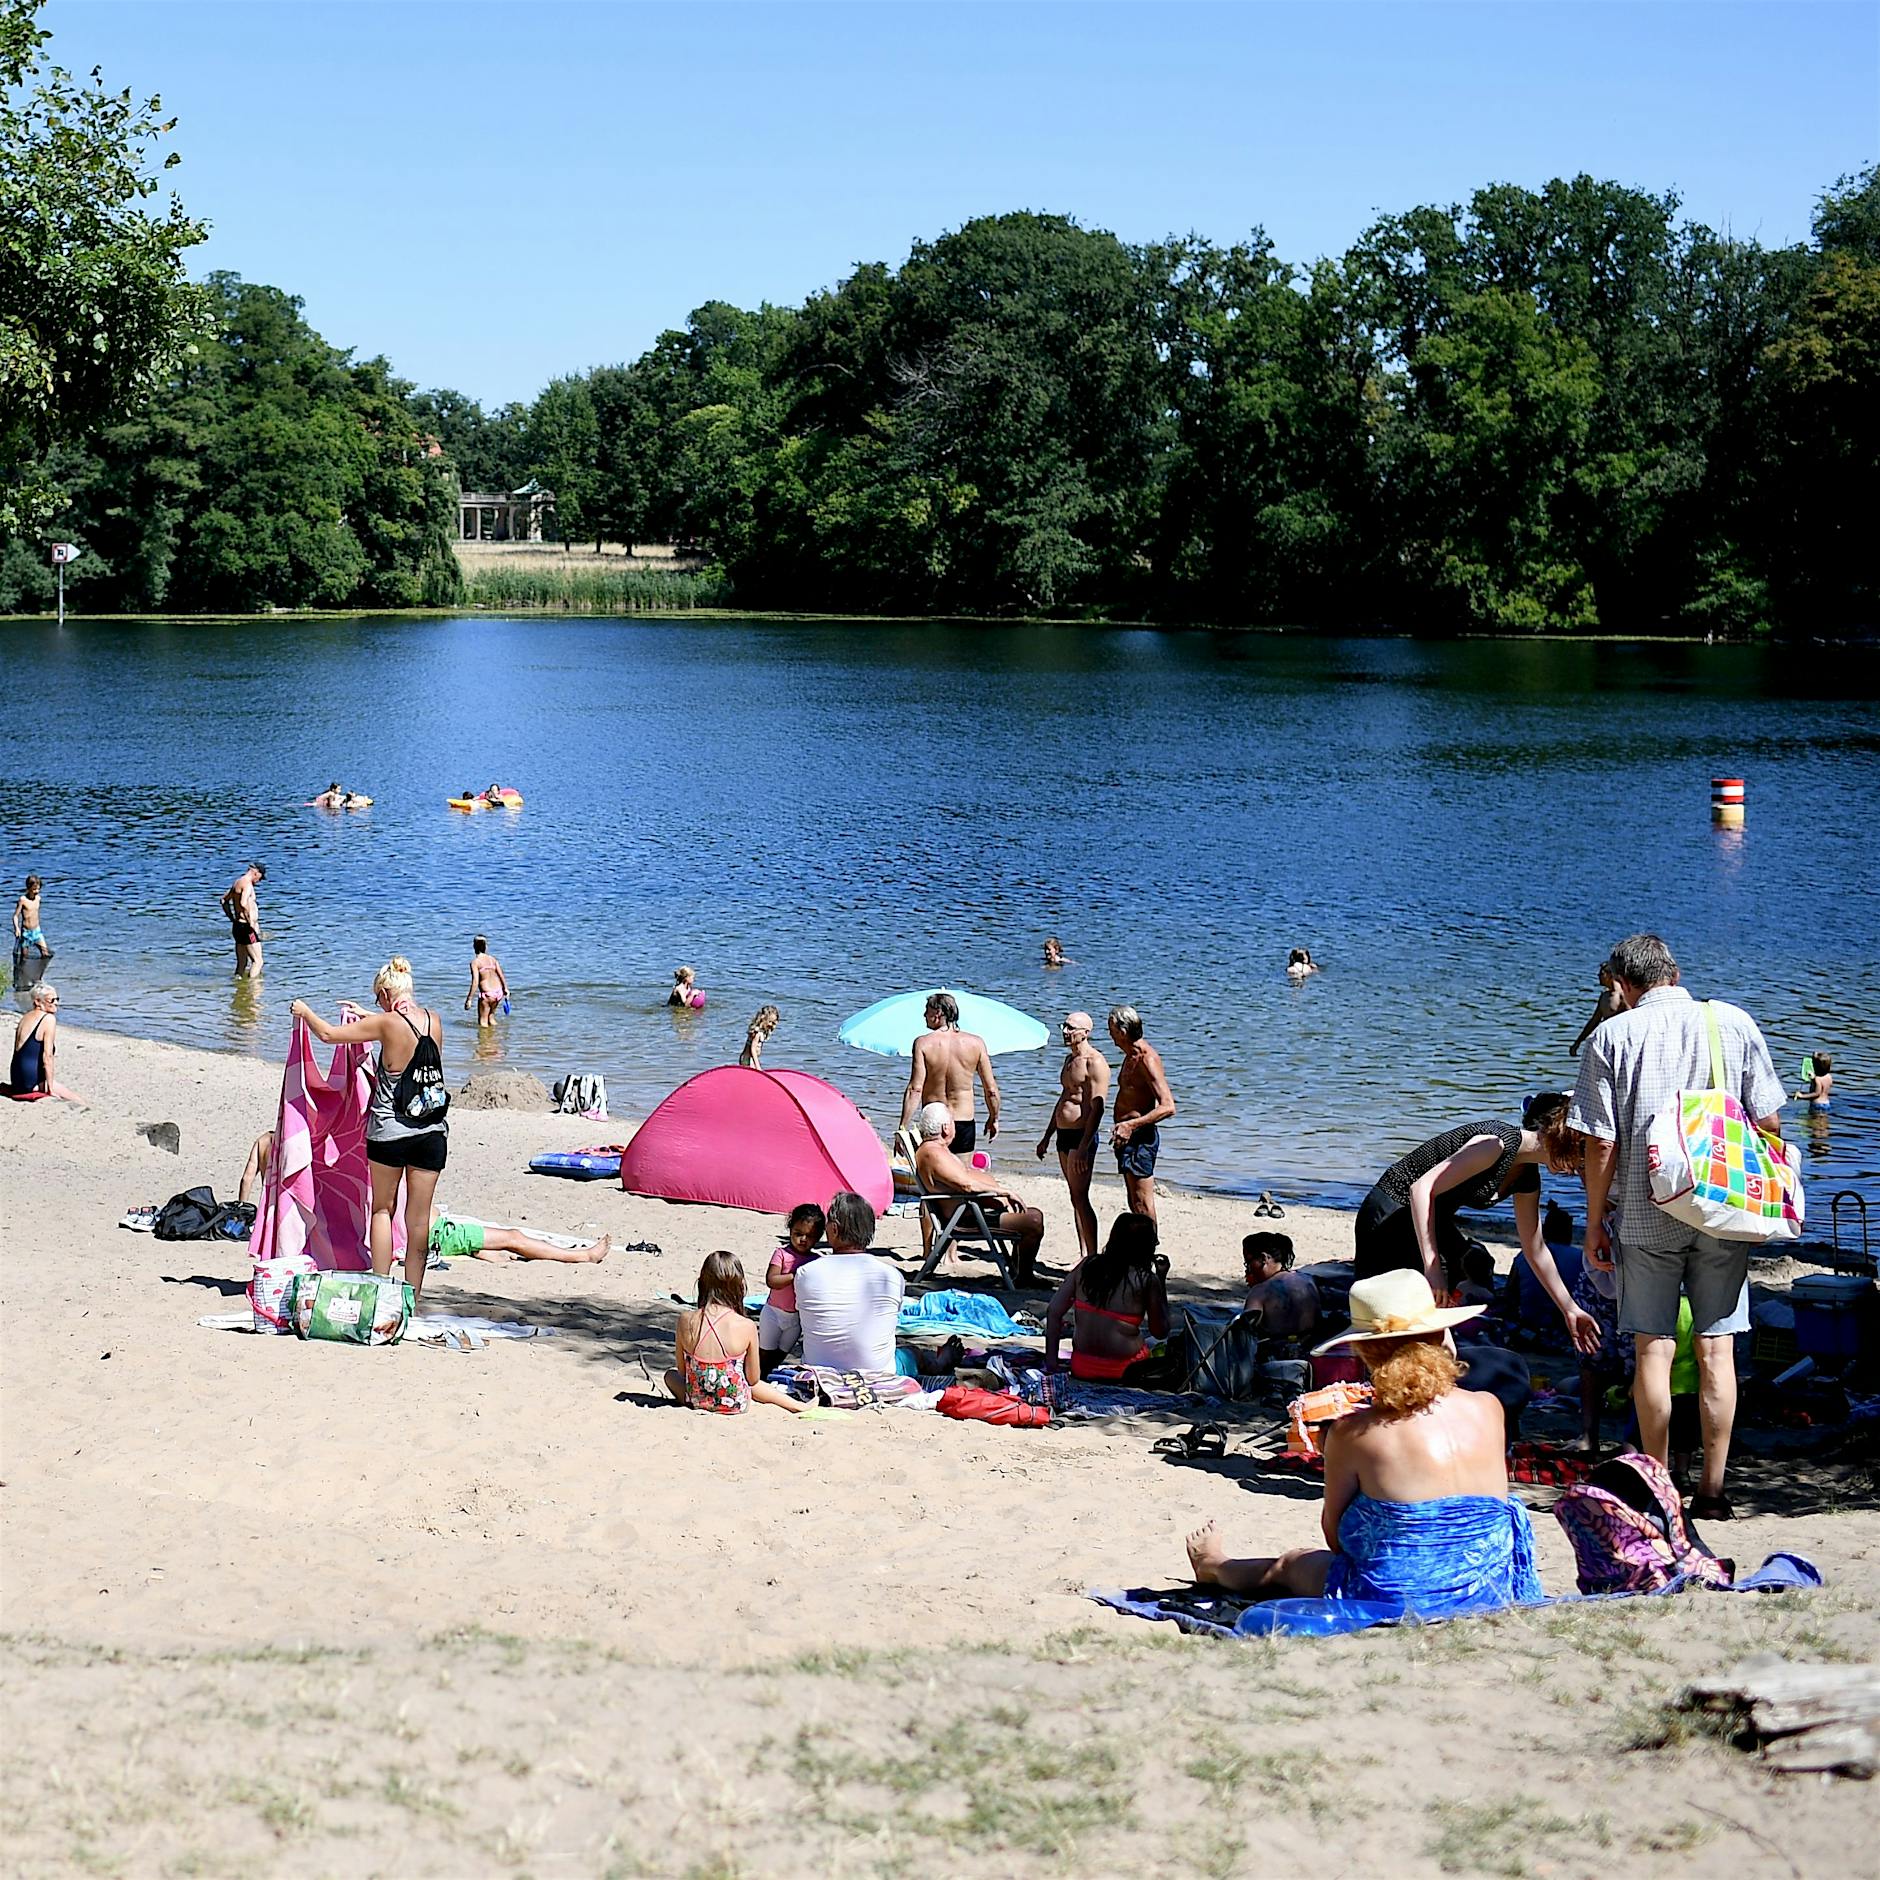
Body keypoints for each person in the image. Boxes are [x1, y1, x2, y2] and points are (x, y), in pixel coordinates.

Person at [1570, 933, 1786, 1521]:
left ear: (1622, 985)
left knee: (1653, 1349)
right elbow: (1769, 1121)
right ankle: (1713, 1492)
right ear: (1676, 973)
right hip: (1722, 1206)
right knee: (1717, 1348)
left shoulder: (1611, 1037)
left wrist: (1594, 1220)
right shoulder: (1733, 1022)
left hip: (1645, 1211)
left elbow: (1601, 1143)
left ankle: (1660, 1490)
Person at [1184, 1271, 1542, 1612]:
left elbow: (1336, 1537)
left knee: (1290, 1564)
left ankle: (1213, 1564)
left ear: (1365, 1353)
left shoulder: (1354, 1433)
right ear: (1441, 1338)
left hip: (1396, 1595)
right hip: (1489, 1586)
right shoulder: (1489, 1407)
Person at [1352, 1095, 1597, 1356]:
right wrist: (1432, 1267)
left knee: (1433, 1309)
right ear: (1562, 1135)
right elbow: (1421, 1189)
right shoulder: (1495, 1143)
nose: (1578, 1166)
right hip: (1391, 1211)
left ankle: (1431, 1367)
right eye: (1581, 1152)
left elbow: (1535, 1249)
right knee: (1387, 1315)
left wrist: (1569, 1308)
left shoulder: (1527, 1176)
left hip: (1432, 1221)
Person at [291, 956, 448, 1296]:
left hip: (390, 1133)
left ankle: (382, 1291)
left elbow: (329, 1034)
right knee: (418, 1221)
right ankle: (412, 1298)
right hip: (432, 1133)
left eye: (378, 999)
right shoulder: (434, 1021)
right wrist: (369, 1015)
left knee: (382, 1210)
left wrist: (305, 1012)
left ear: (387, 994)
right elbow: (411, 1045)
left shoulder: (385, 1024)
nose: (378, 1006)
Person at [913, 1102, 1045, 1284]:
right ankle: (1024, 1277)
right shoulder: (933, 1153)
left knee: (1029, 1215)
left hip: (969, 1212)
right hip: (965, 1219)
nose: (954, 1126)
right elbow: (966, 1185)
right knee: (1033, 1220)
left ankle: (1018, 1272)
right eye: (952, 1122)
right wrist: (1003, 1192)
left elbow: (962, 1180)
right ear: (945, 1128)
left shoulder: (934, 1150)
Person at [664, 1251, 805, 1414]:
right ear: (740, 1285)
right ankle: (797, 1405)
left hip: (696, 1400)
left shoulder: (685, 1320)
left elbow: (682, 1372)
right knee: (751, 1384)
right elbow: (753, 1379)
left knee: (670, 1375)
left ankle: (704, 1398)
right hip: (735, 1403)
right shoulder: (746, 1325)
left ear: (701, 1282)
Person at [1044, 1212, 1170, 1382]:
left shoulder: (1086, 1267)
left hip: (1082, 1367)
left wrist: (1051, 1362)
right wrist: (1161, 1281)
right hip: (1127, 1370)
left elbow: (1053, 1311)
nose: (1157, 1244)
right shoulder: (1146, 1280)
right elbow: (1160, 1331)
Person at [793, 1191, 904, 1373]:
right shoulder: (892, 1276)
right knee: (909, 1355)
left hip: (820, 1373)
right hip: (878, 1375)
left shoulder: (807, 1273)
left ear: (834, 1229)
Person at [1035, 1010, 1109, 1261]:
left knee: (1081, 1197)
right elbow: (1064, 1098)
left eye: (1071, 1028)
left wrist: (1084, 1146)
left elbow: (1097, 1108)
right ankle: (1083, 1253)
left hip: (1081, 1137)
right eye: (1064, 1026)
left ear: (1085, 1033)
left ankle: (1092, 1256)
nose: (1065, 1032)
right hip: (1063, 1135)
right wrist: (1047, 1136)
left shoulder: (1094, 1062)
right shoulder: (1070, 1060)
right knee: (1074, 1196)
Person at [900, 992, 1000, 1154]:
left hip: (934, 1119)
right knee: (961, 1169)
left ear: (938, 1013)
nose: (924, 1015)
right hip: (963, 1120)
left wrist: (903, 1127)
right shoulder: (976, 1043)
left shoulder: (922, 1043)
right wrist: (994, 1118)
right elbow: (991, 1090)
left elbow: (915, 1089)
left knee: (931, 1168)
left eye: (927, 1011)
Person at [1108, 1006, 1175, 1222]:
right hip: (1126, 1138)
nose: (1109, 1035)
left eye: (1111, 1030)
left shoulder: (1147, 1059)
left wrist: (1131, 1125)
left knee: (1143, 1203)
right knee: (1133, 1201)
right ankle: (1141, 1242)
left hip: (1141, 1138)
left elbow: (1168, 1106)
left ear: (1123, 1032)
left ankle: (1151, 1242)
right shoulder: (1130, 1056)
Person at [758, 1201, 824, 1372]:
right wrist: (795, 1276)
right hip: (772, 1313)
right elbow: (772, 1280)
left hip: (796, 1319)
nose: (803, 1240)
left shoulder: (816, 1261)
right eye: (798, 1234)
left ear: (818, 1237)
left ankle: (768, 1377)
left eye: (810, 1236)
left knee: (780, 1355)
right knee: (764, 1353)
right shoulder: (781, 1254)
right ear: (790, 1229)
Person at [430, 1214, 612, 1264]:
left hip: (440, 1232)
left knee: (512, 1237)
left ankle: (480, 1249)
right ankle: (583, 1256)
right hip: (442, 1235)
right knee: (514, 1238)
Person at [1241, 1232, 1321, 1341]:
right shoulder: (1308, 1281)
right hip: (1311, 1345)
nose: (1248, 1269)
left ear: (1263, 1258)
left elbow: (1244, 1332)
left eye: (1248, 1262)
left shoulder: (1260, 1292)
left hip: (1275, 1349)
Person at [7, 983, 79, 1099]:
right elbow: (47, 1057)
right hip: (31, 1082)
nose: (56, 1003)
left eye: (57, 999)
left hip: (17, 1079)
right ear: (38, 1001)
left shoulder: (25, 1017)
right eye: (51, 1000)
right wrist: (50, 1088)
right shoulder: (48, 1019)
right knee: (77, 1100)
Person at [220, 863, 266, 978]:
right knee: (258, 961)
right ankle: (253, 986)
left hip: (237, 926)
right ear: (256, 873)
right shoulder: (247, 885)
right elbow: (243, 903)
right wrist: (250, 922)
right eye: (260, 878)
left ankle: (239, 986)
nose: (259, 881)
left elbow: (223, 900)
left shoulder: (237, 882)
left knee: (242, 963)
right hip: (247, 928)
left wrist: (231, 917)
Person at [1569, 963, 1622, 1056]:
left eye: (1601, 974)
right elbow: (1594, 1021)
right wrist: (1578, 1042)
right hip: (1607, 1041)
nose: (1598, 976)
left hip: (1620, 1042)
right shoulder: (1604, 996)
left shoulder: (1622, 995)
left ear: (1610, 975)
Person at [464, 936, 509, 1028]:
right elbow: (501, 975)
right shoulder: (493, 960)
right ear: (486, 947)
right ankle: (495, 1035)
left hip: (487, 994)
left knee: (483, 1022)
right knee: (491, 1018)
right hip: (498, 993)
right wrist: (505, 989)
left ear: (474, 946)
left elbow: (475, 982)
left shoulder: (475, 962)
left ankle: (485, 1038)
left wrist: (469, 999)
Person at [12, 875, 51, 959]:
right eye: (34, 889)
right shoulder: (23, 900)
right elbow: (15, 916)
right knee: (24, 957)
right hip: (26, 932)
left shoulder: (38, 899)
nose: (37, 891)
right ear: (28, 888)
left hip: (37, 931)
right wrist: (17, 928)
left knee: (45, 953)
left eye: (38, 889)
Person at [237, 1128, 275, 1205]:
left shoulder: (262, 1141)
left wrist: (242, 1206)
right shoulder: (289, 1144)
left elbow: (246, 1179)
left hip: (266, 1204)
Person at [740, 1004, 781, 1070]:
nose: (771, 1024)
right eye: (769, 1022)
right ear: (763, 1019)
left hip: (751, 1058)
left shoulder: (762, 1032)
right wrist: (758, 1066)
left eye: (773, 1023)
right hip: (748, 1059)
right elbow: (753, 1049)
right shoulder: (757, 1032)